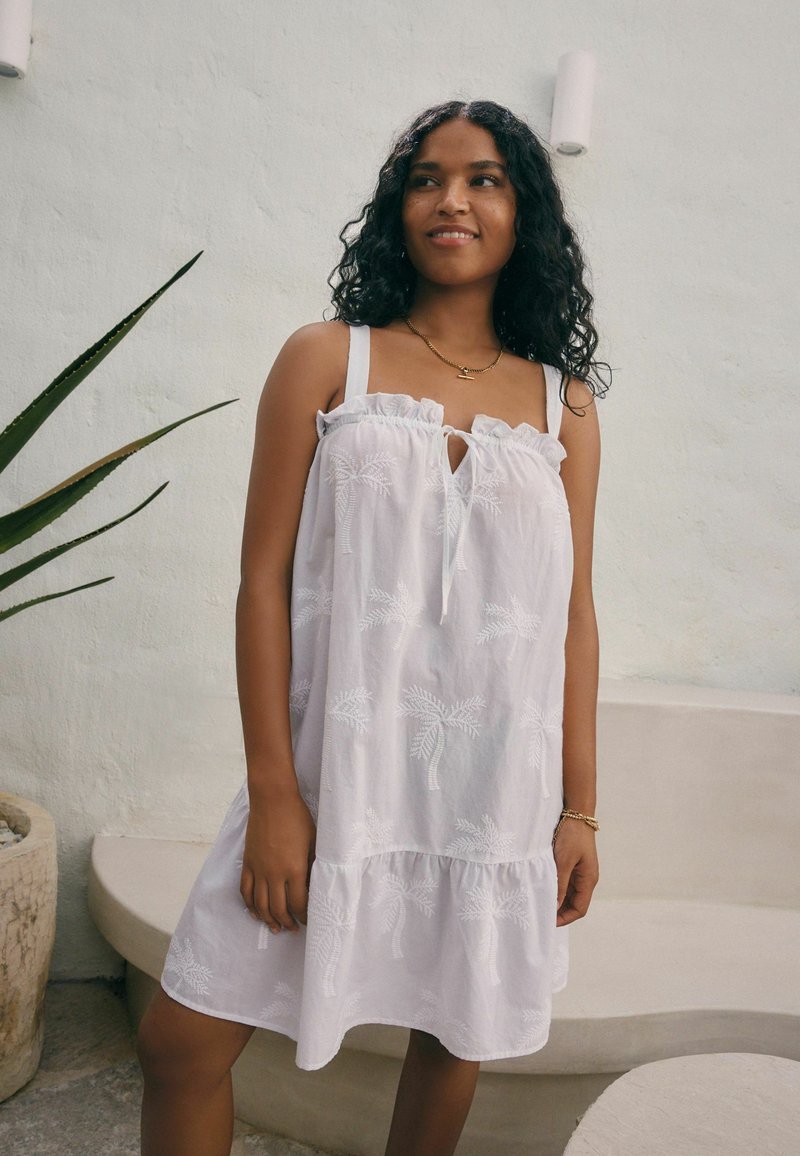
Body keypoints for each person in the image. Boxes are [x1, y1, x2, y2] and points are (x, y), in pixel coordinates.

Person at [136, 98, 607, 1156]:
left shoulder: (563, 406)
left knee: (453, 1031)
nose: (451, 200)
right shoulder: (325, 359)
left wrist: (580, 809)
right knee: (182, 1041)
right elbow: (261, 583)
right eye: (425, 179)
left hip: (493, 786)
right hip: (329, 773)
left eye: (483, 179)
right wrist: (274, 793)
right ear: (397, 209)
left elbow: (575, 616)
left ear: (524, 213)